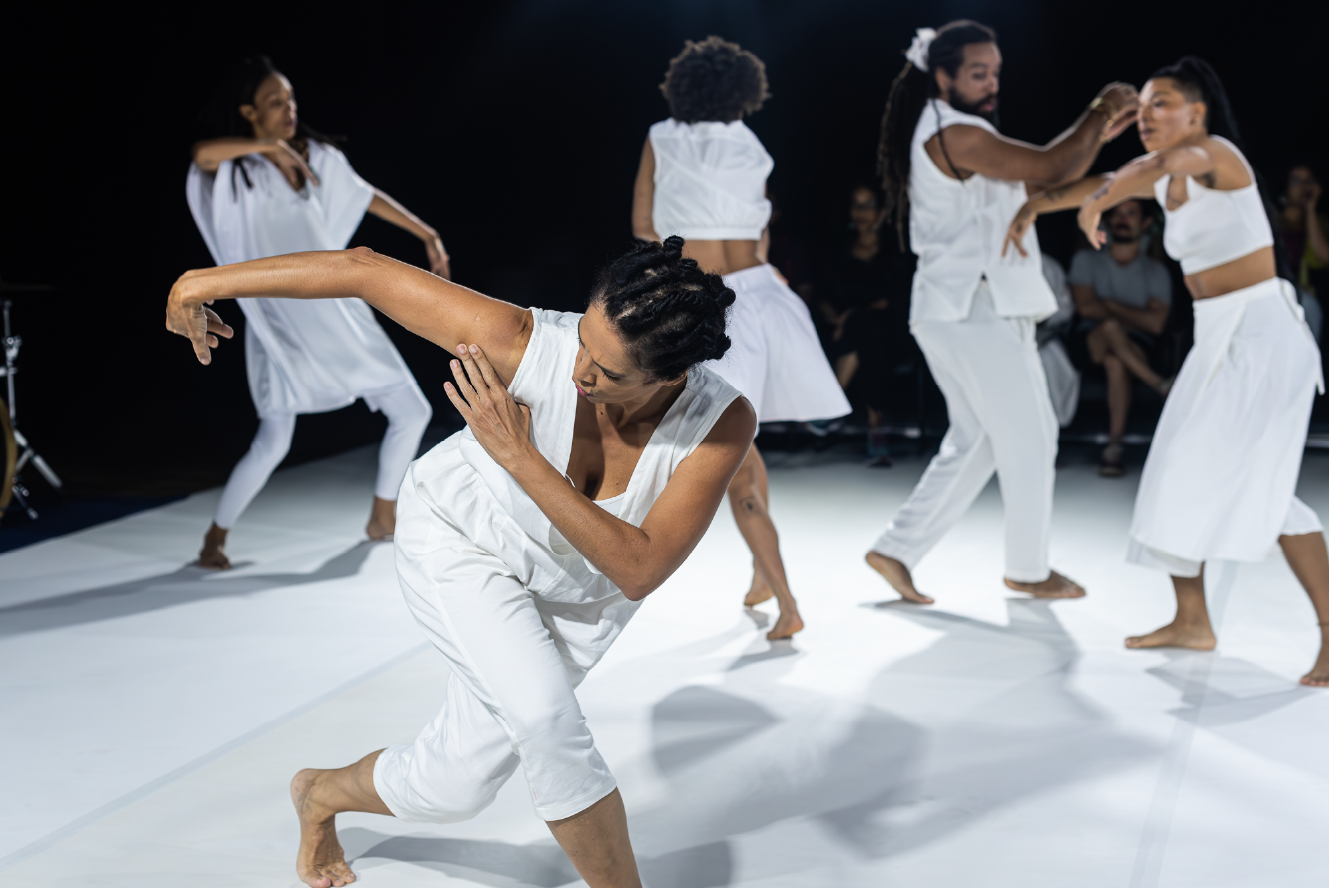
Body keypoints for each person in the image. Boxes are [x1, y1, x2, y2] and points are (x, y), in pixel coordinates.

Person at [164, 235, 757, 887]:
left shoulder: (719, 422)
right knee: (546, 723)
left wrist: (520, 456)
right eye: (584, 340)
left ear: (670, 376)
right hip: (463, 538)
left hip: (580, 591)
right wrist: (195, 282)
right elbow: (363, 271)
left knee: (458, 786)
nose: (580, 372)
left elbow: (639, 569)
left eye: (609, 372)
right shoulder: (526, 343)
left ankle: (319, 793)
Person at [1004, 57, 1329, 687]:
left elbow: (1149, 169)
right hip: (1216, 339)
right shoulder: (1149, 179)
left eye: (1163, 104)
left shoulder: (1217, 156)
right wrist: (1034, 209)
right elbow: (1099, 181)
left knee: (1263, 489)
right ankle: (1192, 621)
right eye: (1144, 106)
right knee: (1176, 470)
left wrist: (1100, 201)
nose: (1149, 117)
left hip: (1264, 337)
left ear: (1196, 114)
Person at [866, 20, 1139, 603]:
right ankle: (1028, 569)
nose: (991, 83)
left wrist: (1095, 134)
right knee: (1031, 439)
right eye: (977, 73)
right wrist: (1101, 110)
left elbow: (1047, 174)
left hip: (961, 307)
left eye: (995, 71)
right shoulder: (954, 134)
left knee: (980, 439)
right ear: (942, 76)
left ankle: (896, 549)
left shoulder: (954, 128)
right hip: (971, 308)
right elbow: (1053, 166)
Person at [186, 56, 444, 569]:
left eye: (291, 99)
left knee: (412, 409)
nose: (289, 109)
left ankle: (382, 515)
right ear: (249, 112)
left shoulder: (317, 156)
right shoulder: (239, 169)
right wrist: (264, 148)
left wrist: (426, 232)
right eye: (275, 102)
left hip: (335, 311)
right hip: (278, 321)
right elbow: (201, 156)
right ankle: (215, 536)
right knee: (274, 438)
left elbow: (365, 195)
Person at [631, 36, 851, 639]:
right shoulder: (752, 145)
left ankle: (787, 602)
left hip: (702, 302)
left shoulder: (661, 134)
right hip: (760, 296)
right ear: (742, 94)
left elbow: (644, 225)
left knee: (731, 456)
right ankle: (763, 578)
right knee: (740, 443)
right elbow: (758, 234)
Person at [1066, 199, 1174, 475]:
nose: (1122, 219)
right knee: (1111, 329)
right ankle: (1159, 384)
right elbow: (1086, 308)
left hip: (1137, 346)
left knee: (1117, 361)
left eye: (1130, 213)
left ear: (1146, 223)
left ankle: (1114, 447)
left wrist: (1109, 305)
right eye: (1117, 213)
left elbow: (1157, 324)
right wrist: (1131, 314)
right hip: (1091, 344)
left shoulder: (1157, 271)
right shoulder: (1086, 260)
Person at [820, 183, 912, 466]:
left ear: (882, 212)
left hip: (894, 333)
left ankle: (831, 403)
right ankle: (877, 430)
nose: (861, 212)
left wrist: (849, 317)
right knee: (865, 339)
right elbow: (823, 298)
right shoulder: (839, 253)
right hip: (851, 335)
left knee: (865, 328)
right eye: (856, 205)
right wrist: (838, 318)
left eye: (868, 204)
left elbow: (895, 302)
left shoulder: (896, 253)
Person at [1280, 163, 1329, 340]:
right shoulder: (1271, 218)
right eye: (1296, 181)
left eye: (1308, 181)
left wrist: (1310, 209)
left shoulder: (1319, 223)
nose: (1302, 186)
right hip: (1272, 291)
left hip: (1303, 296)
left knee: (1309, 306)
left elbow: (1323, 256)